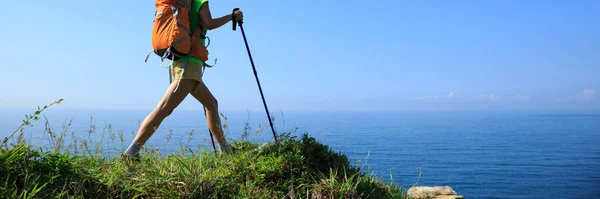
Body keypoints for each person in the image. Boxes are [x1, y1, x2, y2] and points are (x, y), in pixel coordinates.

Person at [122, 0, 243, 159]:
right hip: (189, 64)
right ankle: (130, 153)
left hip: (184, 62)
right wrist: (232, 17)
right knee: (164, 108)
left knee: (211, 104)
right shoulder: (200, 1)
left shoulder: (186, 2)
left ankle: (225, 150)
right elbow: (209, 23)